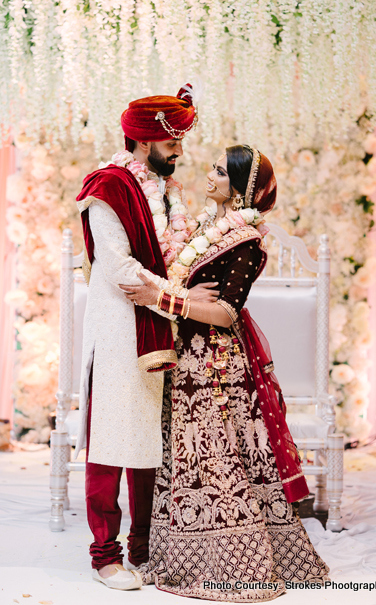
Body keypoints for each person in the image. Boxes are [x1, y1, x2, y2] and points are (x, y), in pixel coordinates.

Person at [121, 145, 329, 601]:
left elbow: (224, 313)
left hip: (215, 367)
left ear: (238, 188)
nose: (209, 175)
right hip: (184, 358)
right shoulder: (204, 229)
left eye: (219, 171)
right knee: (186, 461)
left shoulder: (248, 242)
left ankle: (238, 564)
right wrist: (176, 293)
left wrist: (162, 300)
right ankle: (181, 556)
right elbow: (188, 289)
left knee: (219, 462)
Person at [74, 85, 218, 591]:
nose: (180, 152)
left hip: (160, 328)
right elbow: (119, 270)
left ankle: (144, 549)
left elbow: (164, 262)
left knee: (148, 441)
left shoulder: (165, 190)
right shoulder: (108, 188)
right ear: (144, 140)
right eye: (172, 142)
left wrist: (179, 299)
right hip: (119, 329)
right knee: (112, 440)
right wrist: (182, 296)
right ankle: (105, 557)